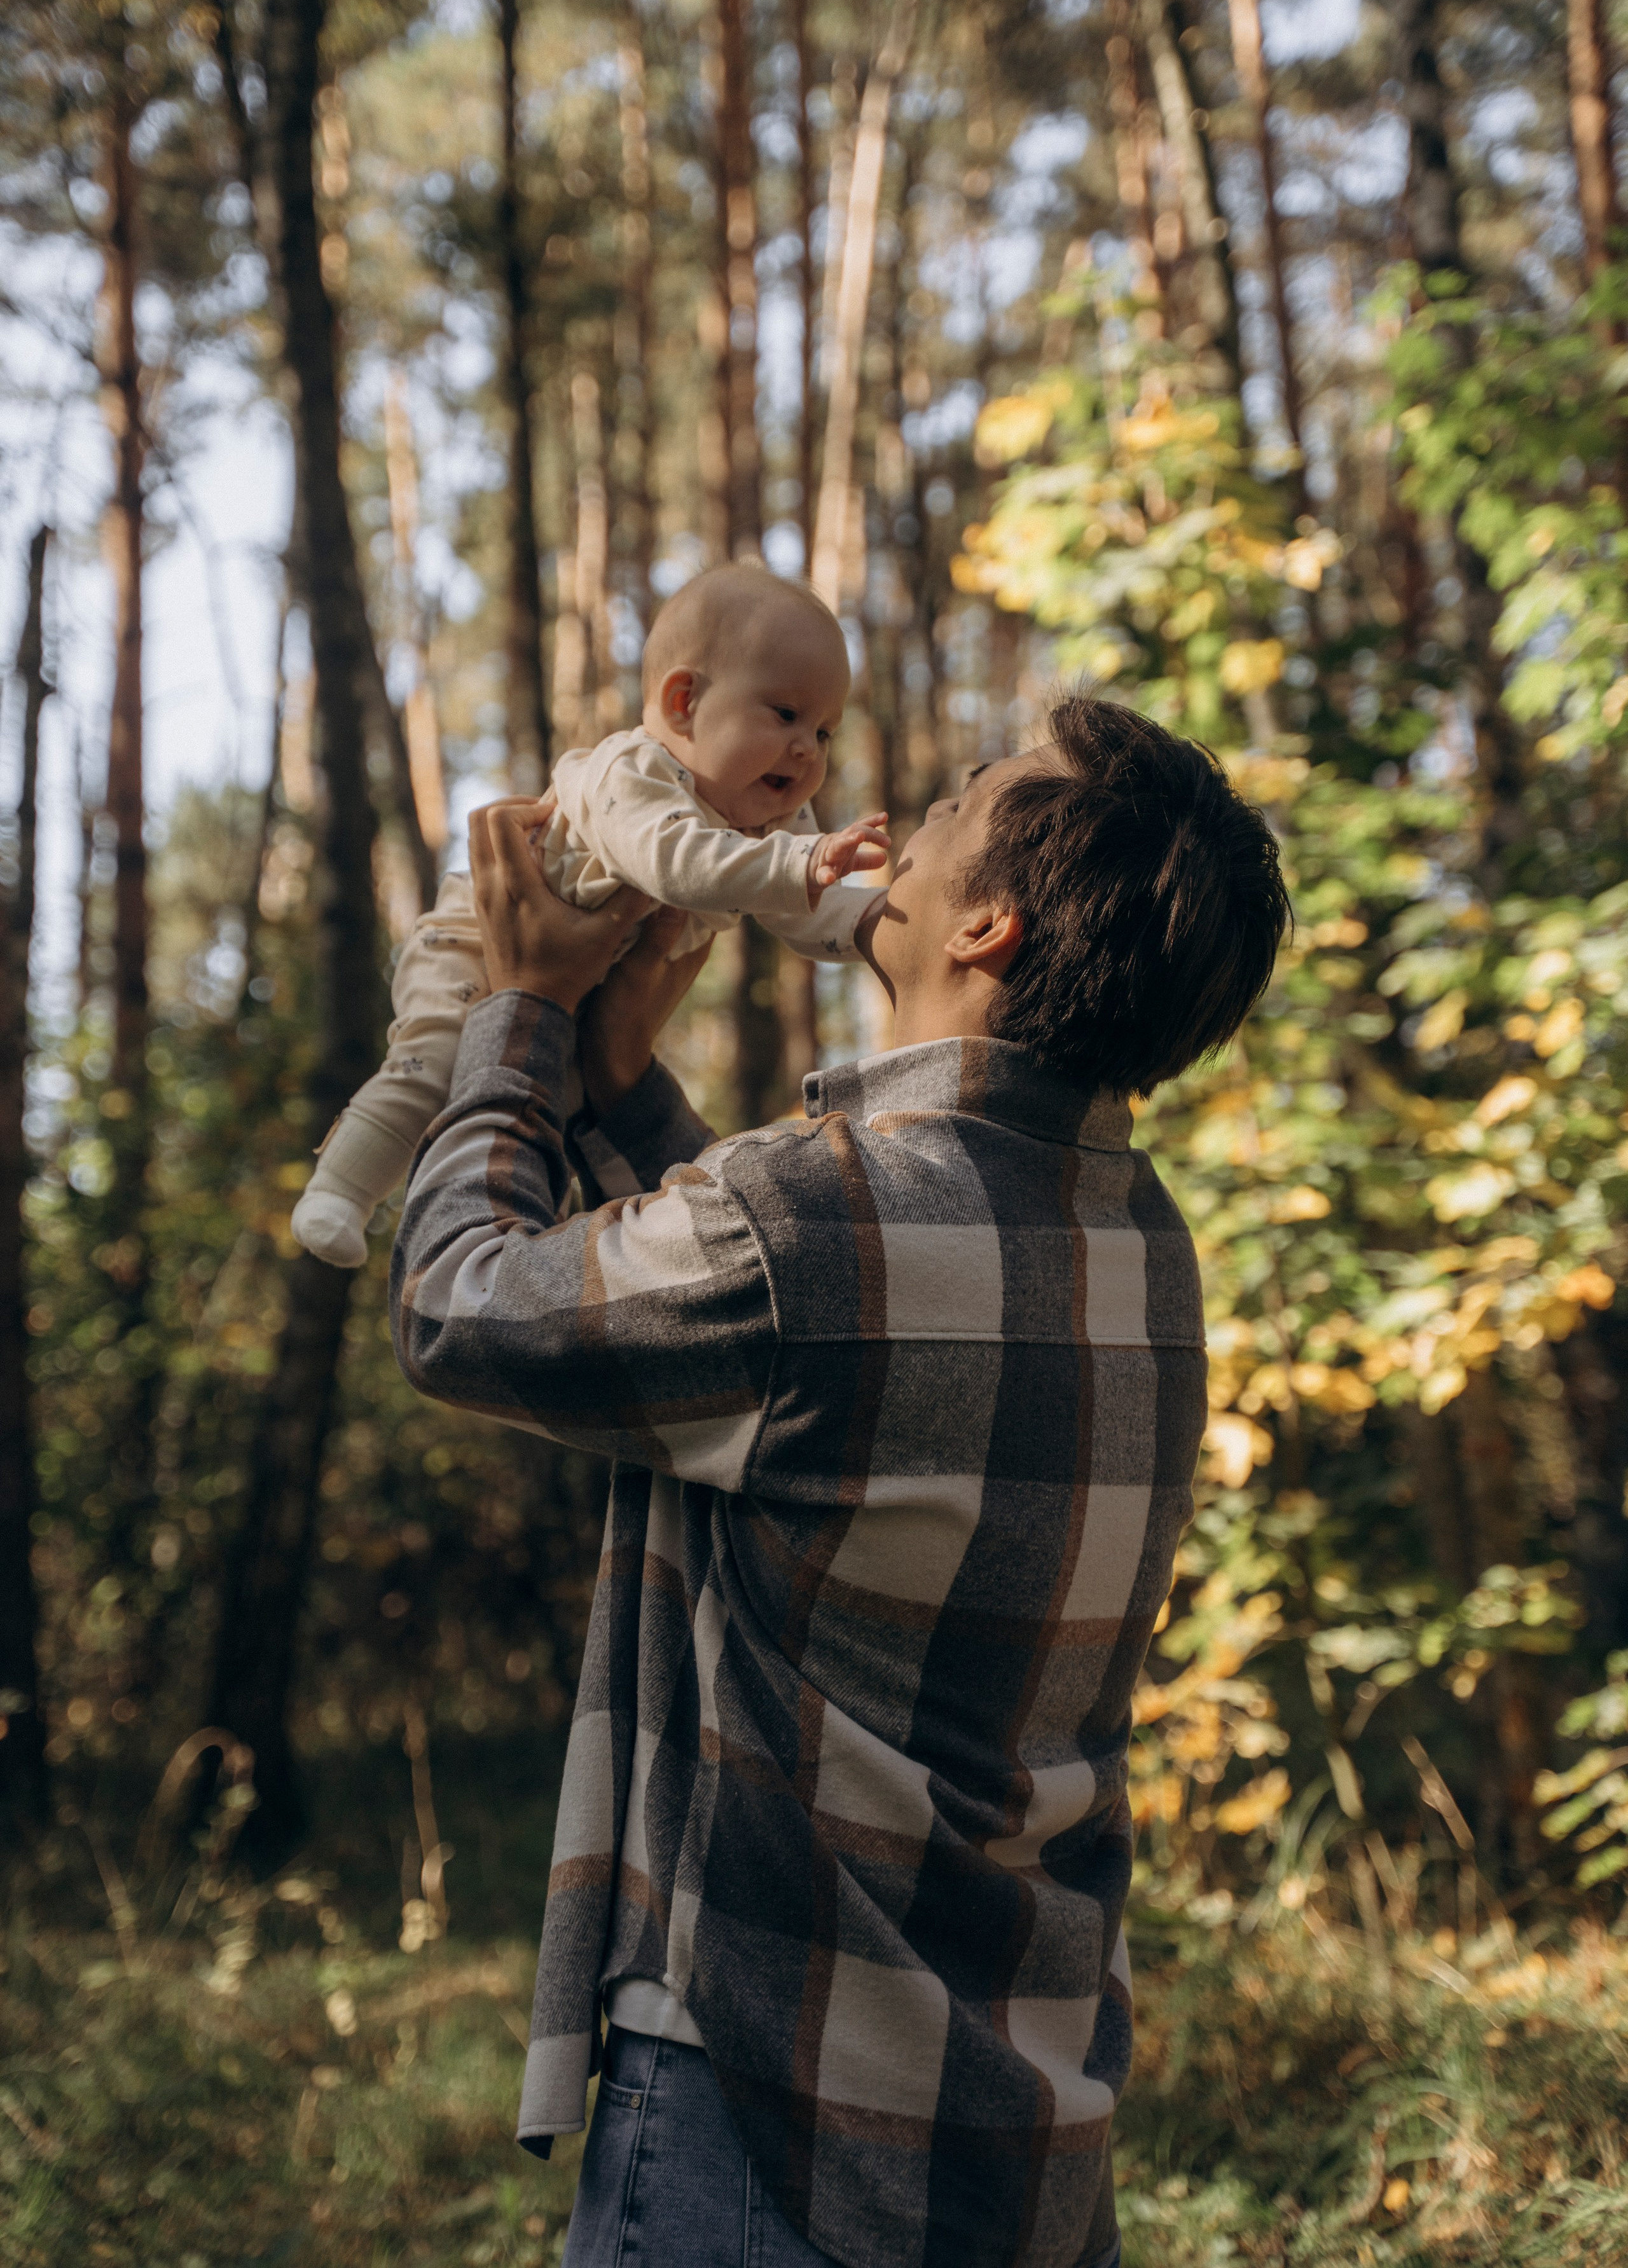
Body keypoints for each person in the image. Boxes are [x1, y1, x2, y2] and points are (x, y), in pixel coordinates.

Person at [389, 694, 1290, 2268]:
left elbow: (457, 1305)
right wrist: (619, 1085)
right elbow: (807, 1342)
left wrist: (522, 1016)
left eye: (953, 805)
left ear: (988, 925)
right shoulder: (1143, 1254)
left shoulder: (813, 1228)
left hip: (764, 2117)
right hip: (1023, 2134)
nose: (904, 824)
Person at [293, 565, 888, 1267]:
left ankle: (537, 1248)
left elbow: (807, 912)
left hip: (577, 996)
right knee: (437, 1060)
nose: (807, 749)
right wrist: (802, 864)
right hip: (476, 944)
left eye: (825, 732)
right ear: (684, 703)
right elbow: (673, 861)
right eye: (786, 715)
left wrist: (880, 920)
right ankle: (340, 1191)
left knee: (555, 1112)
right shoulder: (631, 773)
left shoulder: (773, 821)